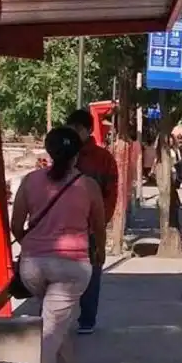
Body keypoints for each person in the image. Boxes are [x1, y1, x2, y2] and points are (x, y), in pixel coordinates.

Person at [11, 127, 106, 363]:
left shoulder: (30, 180)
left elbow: (16, 226)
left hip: (33, 266)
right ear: (78, 155)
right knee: (51, 328)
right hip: (72, 267)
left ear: (50, 152)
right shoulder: (88, 185)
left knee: (56, 317)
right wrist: (100, 252)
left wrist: (32, 245)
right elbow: (98, 226)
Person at [64, 110, 118, 334]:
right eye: (72, 128)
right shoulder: (64, 153)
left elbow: (111, 194)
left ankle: (87, 319)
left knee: (92, 273)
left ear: (88, 130)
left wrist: (101, 222)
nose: (75, 133)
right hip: (64, 227)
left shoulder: (103, 159)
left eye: (79, 129)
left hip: (90, 227)